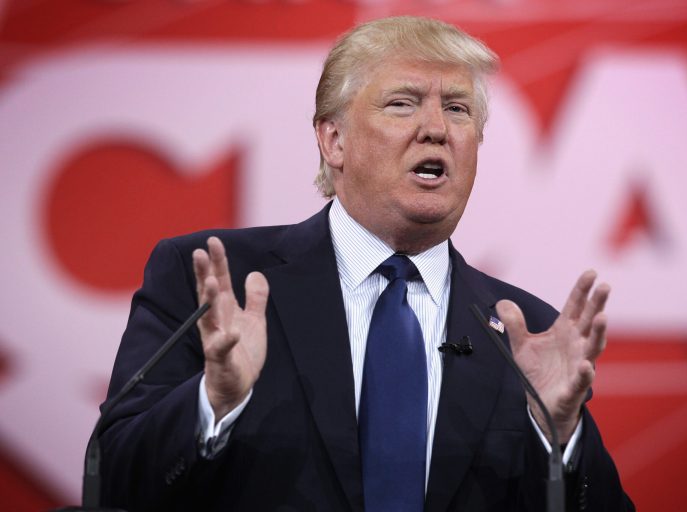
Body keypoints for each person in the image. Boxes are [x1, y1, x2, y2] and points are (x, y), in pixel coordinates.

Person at [100, 16, 634, 511]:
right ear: (333, 140)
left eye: (457, 108)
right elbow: (115, 478)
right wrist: (211, 403)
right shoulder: (216, 287)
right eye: (403, 104)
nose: (436, 129)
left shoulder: (522, 333)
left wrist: (561, 437)